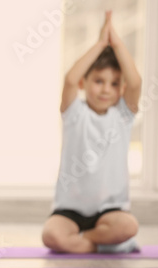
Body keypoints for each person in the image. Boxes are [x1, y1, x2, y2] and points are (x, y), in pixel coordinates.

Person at [42, 11, 141, 254]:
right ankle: (106, 244)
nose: (106, 89)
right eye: (98, 81)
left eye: (114, 83)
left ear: (121, 88)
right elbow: (69, 78)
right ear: (83, 84)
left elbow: (136, 83)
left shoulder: (122, 116)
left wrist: (116, 44)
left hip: (110, 211)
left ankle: (87, 241)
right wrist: (99, 44)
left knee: (128, 226)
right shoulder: (74, 113)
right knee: (51, 236)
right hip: (70, 211)